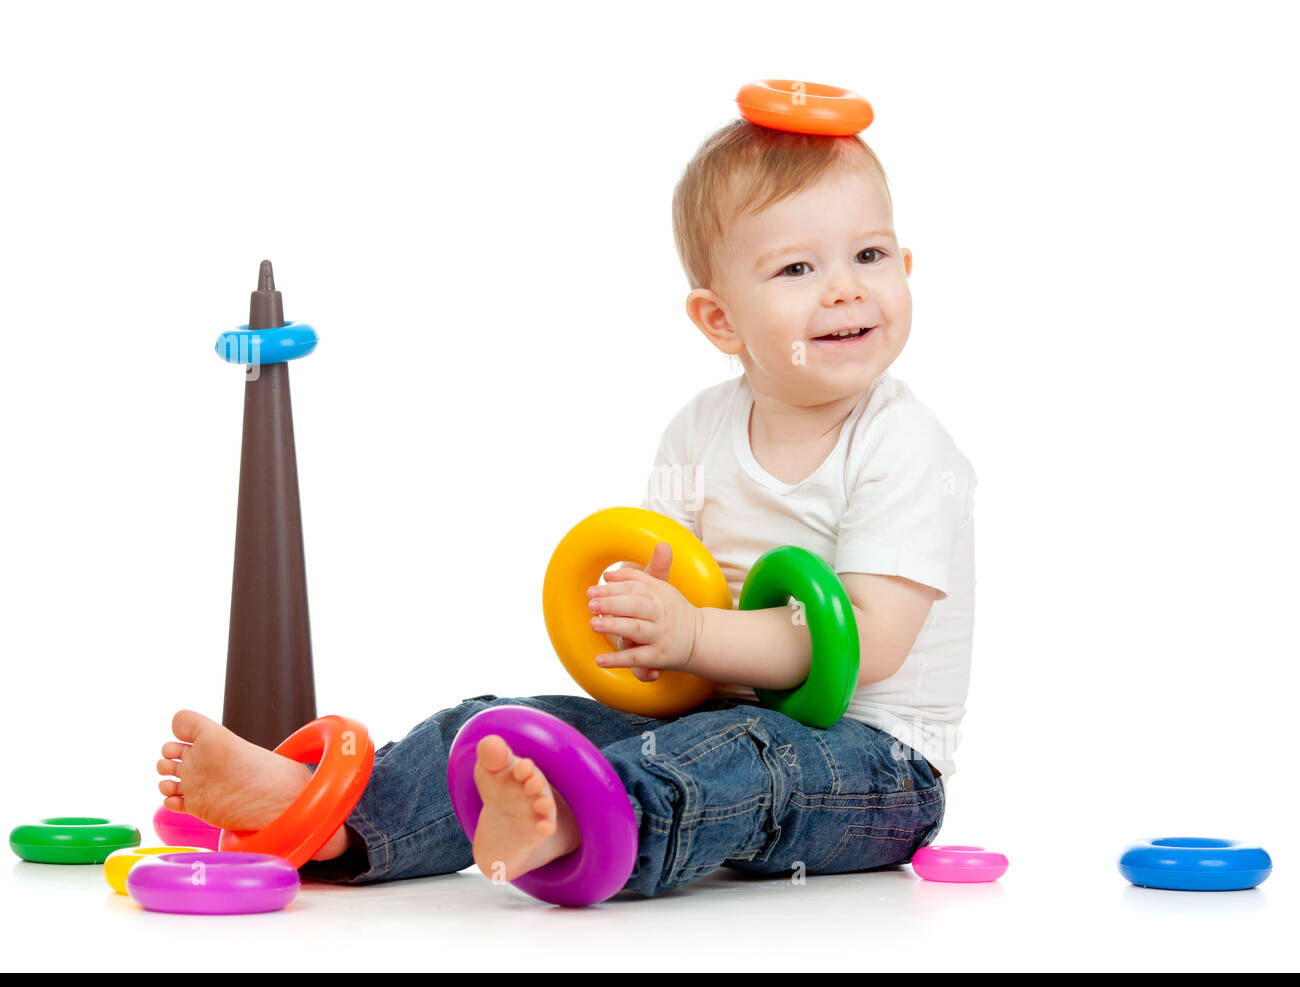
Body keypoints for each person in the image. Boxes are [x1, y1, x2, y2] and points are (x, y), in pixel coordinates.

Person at [157, 105, 976, 900]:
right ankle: (329, 812)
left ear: (906, 268)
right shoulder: (697, 431)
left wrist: (696, 632)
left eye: (869, 255)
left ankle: (572, 827)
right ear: (719, 318)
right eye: (799, 268)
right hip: (709, 725)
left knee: (746, 753)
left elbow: (865, 642)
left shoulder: (901, 444)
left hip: (873, 769)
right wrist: (651, 636)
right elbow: (681, 634)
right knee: (504, 725)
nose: (844, 291)